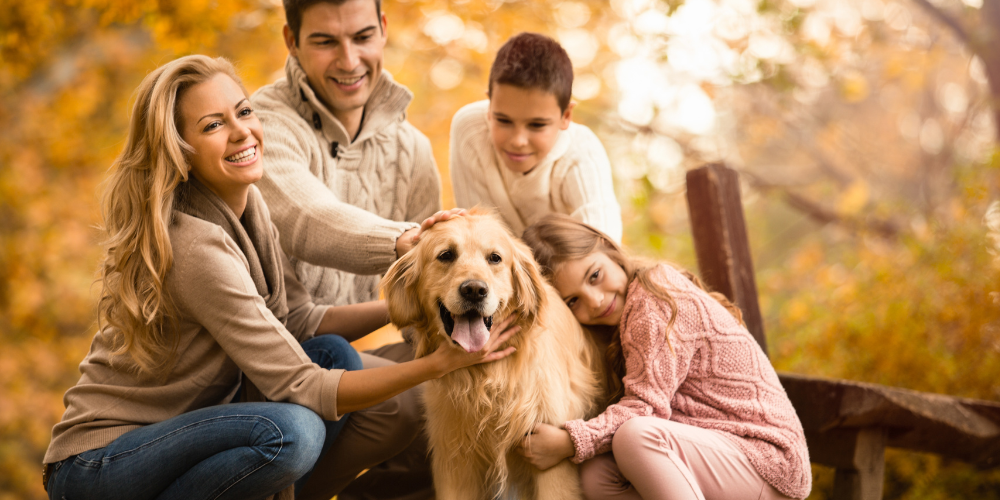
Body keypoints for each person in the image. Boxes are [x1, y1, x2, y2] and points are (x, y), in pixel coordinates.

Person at [41, 55, 518, 500]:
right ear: (180, 152)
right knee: (290, 433)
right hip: (101, 461)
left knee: (331, 352)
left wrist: (424, 298)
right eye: (213, 125)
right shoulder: (194, 246)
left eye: (243, 112)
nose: (240, 132)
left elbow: (299, 320)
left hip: (187, 433)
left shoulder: (249, 207)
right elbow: (303, 386)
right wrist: (440, 364)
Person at [251, 1, 453, 497]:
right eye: (324, 41)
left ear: (383, 30)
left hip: (337, 348)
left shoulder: (413, 151)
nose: (348, 60)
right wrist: (401, 240)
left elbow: (424, 295)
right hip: (258, 359)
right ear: (291, 41)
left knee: (457, 384)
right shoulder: (261, 123)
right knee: (409, 397)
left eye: (362, 36)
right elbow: (304, 215)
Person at [518, 214, 812, 500]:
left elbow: (645, 409)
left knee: (634, 437)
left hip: (768, 462)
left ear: (608, 249)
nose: (594, 301)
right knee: (597, 476)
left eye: (595, 275)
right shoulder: (619, 324)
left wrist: (570, 441)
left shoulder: (653, 298)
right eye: (573, 301)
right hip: (723, 459)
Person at [449, 32, 623, 243]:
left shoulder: (582, 154)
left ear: (565, 116)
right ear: (490, 104)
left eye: (537, 125)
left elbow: (602, 251)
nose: (518, 141)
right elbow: (477, 239)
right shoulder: (469, 129)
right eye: (503, 120)